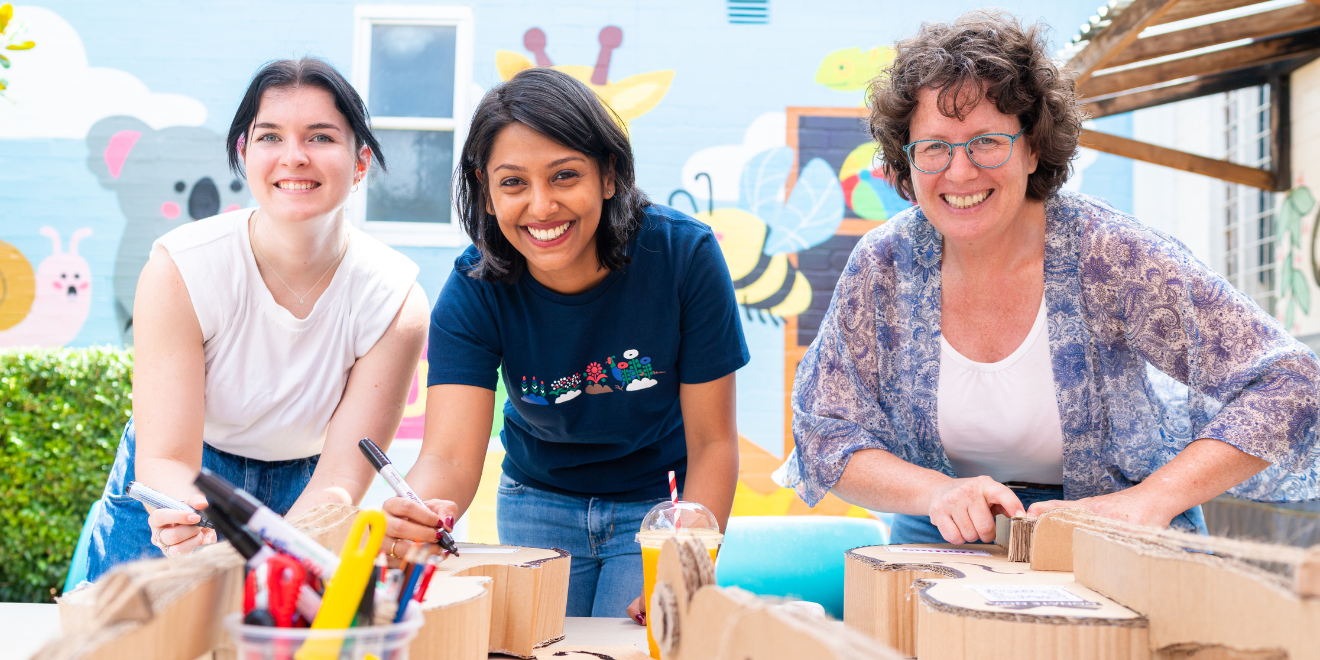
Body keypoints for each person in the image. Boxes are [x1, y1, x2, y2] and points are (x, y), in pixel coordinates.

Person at [777, 11, 1320, 546]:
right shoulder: (882, 267)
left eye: (987, 141)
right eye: (934, 146)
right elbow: (825, 433)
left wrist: (1153, 498)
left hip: (1113, 531)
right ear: (906, 161)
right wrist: (935, 492)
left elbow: (1291, 379)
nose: (960, 171)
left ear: (1034, 147)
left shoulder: (1110, 254)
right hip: (941, 532)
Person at [380, 68, 747, 619]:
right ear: (485, 192)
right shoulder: (473, 287)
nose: (542, 206)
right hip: (536, 503)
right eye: (513, 183)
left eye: (564, 175)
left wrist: (690, 547)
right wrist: (420, 513)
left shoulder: (683, 257)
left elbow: (714, 443)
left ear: (609, 175)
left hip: (654, 509)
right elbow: (449, 456)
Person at [84, 58, 429, 580]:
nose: (294, 157)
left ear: (360, 163)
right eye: (270, 136)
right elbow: (169, 455)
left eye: (320, 137)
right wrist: (189, 527)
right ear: (244, 154)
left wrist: (271, 559)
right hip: (183, 479)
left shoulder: (395, 299)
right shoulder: (180, 269)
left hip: (310, 484)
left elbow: (340, 474)